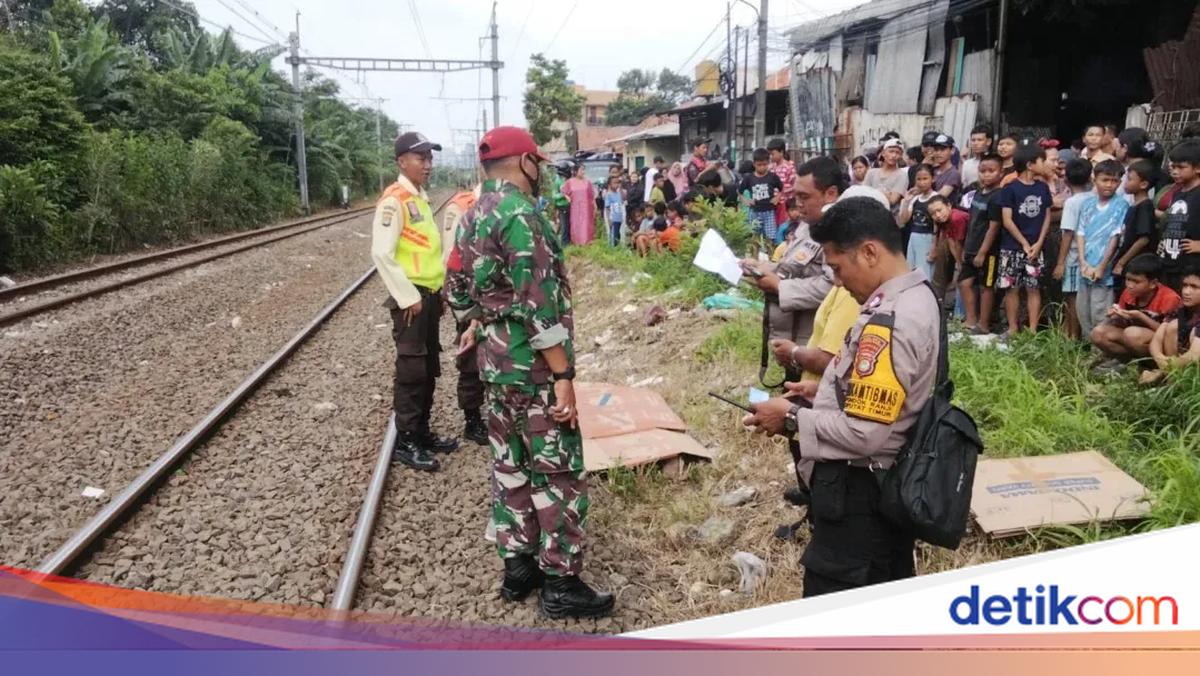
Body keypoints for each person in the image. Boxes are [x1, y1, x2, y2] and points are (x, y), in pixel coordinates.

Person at [743, 196, 939, 597]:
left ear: (869, 252)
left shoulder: (890, 320)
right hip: (884, 488)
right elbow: (889, 392)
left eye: (836, 267)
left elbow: (866, 433)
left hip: (861, 494)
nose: (835, 280)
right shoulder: (917, 293)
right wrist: (824, 391)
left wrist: (792, 418)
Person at [454, 126, 613, 619]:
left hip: (495, 365)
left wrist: (481, 319)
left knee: (510, 465)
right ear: (525, 162)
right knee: (558, 472)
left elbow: (458, 289)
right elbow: (540, 302)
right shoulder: (523, 215)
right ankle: (560, 582)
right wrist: (562, 374)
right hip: (535, 368)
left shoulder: (470, 215)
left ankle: (517, 566)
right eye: (538, 163)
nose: (541, 170)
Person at [371, 131, 458, 472]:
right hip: (412, 302)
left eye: (430, 158)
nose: (428, 165)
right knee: (410, 371)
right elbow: (381, 252)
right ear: (401, 161)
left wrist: (440, 293)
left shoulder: (418, 198)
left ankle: (421, 432)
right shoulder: (394, 201)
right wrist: (408, 298)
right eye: (421, 158)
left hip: (430, 298)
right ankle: (406, 441)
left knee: (428, 368)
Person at [743, 157, 842, 381]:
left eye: (804, 197)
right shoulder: (808, 223)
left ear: (830, 193)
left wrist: (780, 287)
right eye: (795, 196)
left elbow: (833, 286)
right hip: (792, 335)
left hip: (816, 342)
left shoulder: (840, 233)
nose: (797, 203)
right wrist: (761, 267)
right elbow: (793, 265)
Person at [997, 145, 1054, 335]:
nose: (1044, 164)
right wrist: (1024, 242)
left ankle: (1033, 329)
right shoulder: (1010, 188)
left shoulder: (1043, 188)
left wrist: (1038, 243)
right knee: (1011, 288)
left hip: (1037, 247)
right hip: (1012, 247)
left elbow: (1046, 217)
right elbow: (1007, 219)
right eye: (1041, 161)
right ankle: (1013, 328)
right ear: (1030, 165)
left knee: (1033, 288)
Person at [1091, 254, 1181, 366]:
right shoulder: (1129, 293)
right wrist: (1117, 316)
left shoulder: (1169, 298)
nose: (1130, 285)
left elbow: (1169, 333)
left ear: (1153, 283)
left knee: (1132, 334)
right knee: (1098, 333)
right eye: (1128, 279)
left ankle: (1153, 365)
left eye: (1136, 282)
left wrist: (1140, 316)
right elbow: (1122, 324)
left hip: (1161, 341)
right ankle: (1127, 363)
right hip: (1134, 337)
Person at [1074, 160, 1129, 339]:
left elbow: (1115, 237)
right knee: (1083, 311)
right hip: (1085, 266)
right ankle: (1088, 350)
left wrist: (1102, 266)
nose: (1109, 185)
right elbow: (1080, 233)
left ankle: (1100, 353)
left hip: (1104, 270)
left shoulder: (1120, 205)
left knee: (1100, 312)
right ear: (1094, 179)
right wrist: (1082, 262)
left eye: (1114, 181)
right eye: (1105, 180)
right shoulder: (1087, 204)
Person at [960, 153, 1004, 334]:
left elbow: (993, 228)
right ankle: (971, 319)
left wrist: (982, 252)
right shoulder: (978, 193)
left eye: (991, 171)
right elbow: (972, 221)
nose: (986, 175)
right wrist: (966, 247)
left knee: (986, 286)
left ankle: (984, 324)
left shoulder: (997, 197)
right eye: (982, 171)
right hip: (971, 246)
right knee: (964, 283)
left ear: (1001, 173)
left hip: (988, 252)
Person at [1053, 158, 1095, 341]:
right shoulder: (1095, 198)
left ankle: (1072, 336)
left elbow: (1068, 234)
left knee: (1072, 298)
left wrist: (1060, 263)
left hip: (1073, 257)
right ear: (1090, 179)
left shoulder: (1072, 202)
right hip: (1090, 256)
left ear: (1067, 180)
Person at [1112, 160, 1161, 299]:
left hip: (1135, 263)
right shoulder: (1133, 205)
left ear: (1143, 184)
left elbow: (1143, 239)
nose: (1125, 182)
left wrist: (1122, 262)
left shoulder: (1145, 207)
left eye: (1129, 179)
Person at [1144, 265, 1200, 384]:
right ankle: (1173, 382)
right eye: (1185, 285)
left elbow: (1194, 355)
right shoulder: (1181, 307)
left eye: (1194, 287)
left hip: (1194, 358)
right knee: (1173, 326)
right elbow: (1156, 340)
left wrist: (1164, 368)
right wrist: (1161, 359)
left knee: (1193, 333)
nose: (1186, 291)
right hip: (1178, 362)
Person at [1158, 140, 1200, 292]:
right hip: (1169, 264)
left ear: (1198, 168)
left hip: (1191, 269)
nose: (1175, 171)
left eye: (1181, 167)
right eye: (1173, 166)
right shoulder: (1177, 193)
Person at [928, 194, 967, 308]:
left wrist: (959, 262)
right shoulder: (943, 220)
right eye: (933, 214)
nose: (937, 215)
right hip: (956, 245)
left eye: (939, 210)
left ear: (949, 206)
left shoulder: (957, 217)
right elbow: (950, 240)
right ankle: (937, 304)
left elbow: (958, 243)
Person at [900, 164, 938, 279]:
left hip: (927, 238)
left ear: (933, 178)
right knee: (911, 271)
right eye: (919, 179)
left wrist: (934, 246)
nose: (922, 182)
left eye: (925, 178)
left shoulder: (936, 198)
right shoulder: (915, 198)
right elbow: (904, 220)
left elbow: (937, 226)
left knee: (925, 273)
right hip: (914, 237)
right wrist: (906, 201)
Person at [740, 148, 785, 242]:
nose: (762, 167)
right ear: (754, 164)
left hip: (769, 212)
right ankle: (755, 255)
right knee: (754, 237)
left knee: (771, 237)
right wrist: (745, 200)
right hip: (754, 212)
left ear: (768, 163)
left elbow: (782, 188)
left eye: (764, 164)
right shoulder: (749, 178)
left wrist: (777, 197)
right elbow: (739, 191)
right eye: (759, 165)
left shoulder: (772, 177)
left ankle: (770, 255)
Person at [865, 138, 910, 222]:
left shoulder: (902, 175)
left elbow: (893, 200)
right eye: (891, 151)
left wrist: (873, 192)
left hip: (891, 221)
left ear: (900, 156)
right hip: (871, 219)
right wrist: (885, 193)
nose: (894, 155)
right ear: (883, 153)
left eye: (897, 153)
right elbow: (864, 195)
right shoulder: (871, 173)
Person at [561, 163, 596, 245]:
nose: (583, 172)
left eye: (584, 170)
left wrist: (594, 205)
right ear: (576, 171)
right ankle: (576, 242)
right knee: (576, 224)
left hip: (586, 207)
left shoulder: (588, 182)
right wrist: (567, 197)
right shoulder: (570, 182)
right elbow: (564, 191)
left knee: (585, 224)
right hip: (575, 207)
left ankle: (587, 242)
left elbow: (592, 195)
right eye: (581, 170)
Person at [768, 137, 797, 230]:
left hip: (785, 203)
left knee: (783, 226)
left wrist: (783, 192)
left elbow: (795, 185)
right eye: (770, 154)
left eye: (773, 154)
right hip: (773, 203)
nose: (771, 157)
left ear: (781, 152)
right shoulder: (771, 167)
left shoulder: (789, 167)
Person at [602, 175, 626, 247]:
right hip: (613, 219)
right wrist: (609, 219)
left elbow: (623, 199)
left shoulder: (618, 193)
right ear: (609, 184)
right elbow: (607, 208)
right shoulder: (608, 195)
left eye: (618, 183)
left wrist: (621, 188)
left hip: (619, 218)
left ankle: (618, 248)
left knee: (618, 235)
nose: (617, 185)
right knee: (613, 235)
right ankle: (612, 250)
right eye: (614, 183)